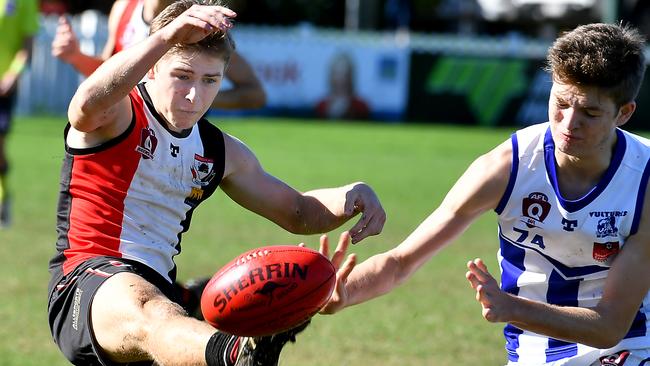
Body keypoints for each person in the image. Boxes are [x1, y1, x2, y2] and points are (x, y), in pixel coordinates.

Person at [47, 1, 386, 365]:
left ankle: (204, 316)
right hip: (87, 282)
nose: (195, 96)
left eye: (210, 81)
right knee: (150, 311)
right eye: (182, 76)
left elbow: (299, 210)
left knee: (164, 309)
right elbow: (83, 107)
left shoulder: (218, 150)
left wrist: (352, 196)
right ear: (154, 68)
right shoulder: (120, 114)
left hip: (162, 296)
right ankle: (237, 353)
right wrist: (165, 36)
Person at [322, 23, 650, 365]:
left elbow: (610, 326)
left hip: (627, 348)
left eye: (590, 112)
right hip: (534, 354)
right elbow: (401, 261)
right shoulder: (506, 167)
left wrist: (511, 307)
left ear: (623, 114)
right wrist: (344, 293)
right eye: (562, 103)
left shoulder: (645, 179)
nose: (569, 123)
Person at [51, 0, 266, 110]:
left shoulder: (197, 22)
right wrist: (76, 56)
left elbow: (255, 94)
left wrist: (193, 96)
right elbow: (109, 70)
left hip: (174, 144)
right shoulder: (125, 7)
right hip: (124, 129)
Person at [0, 0, 39, 228]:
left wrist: (13, 74)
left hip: (3, 89)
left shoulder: (25, 2)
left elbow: (27, 46)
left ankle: (3, 197)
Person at [315, 52, 370, 120]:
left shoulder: (361, 107)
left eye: (345, 74)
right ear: (331, 76)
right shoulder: (321, 106)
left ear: (351, 77)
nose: (341, 79)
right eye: (337, 74)